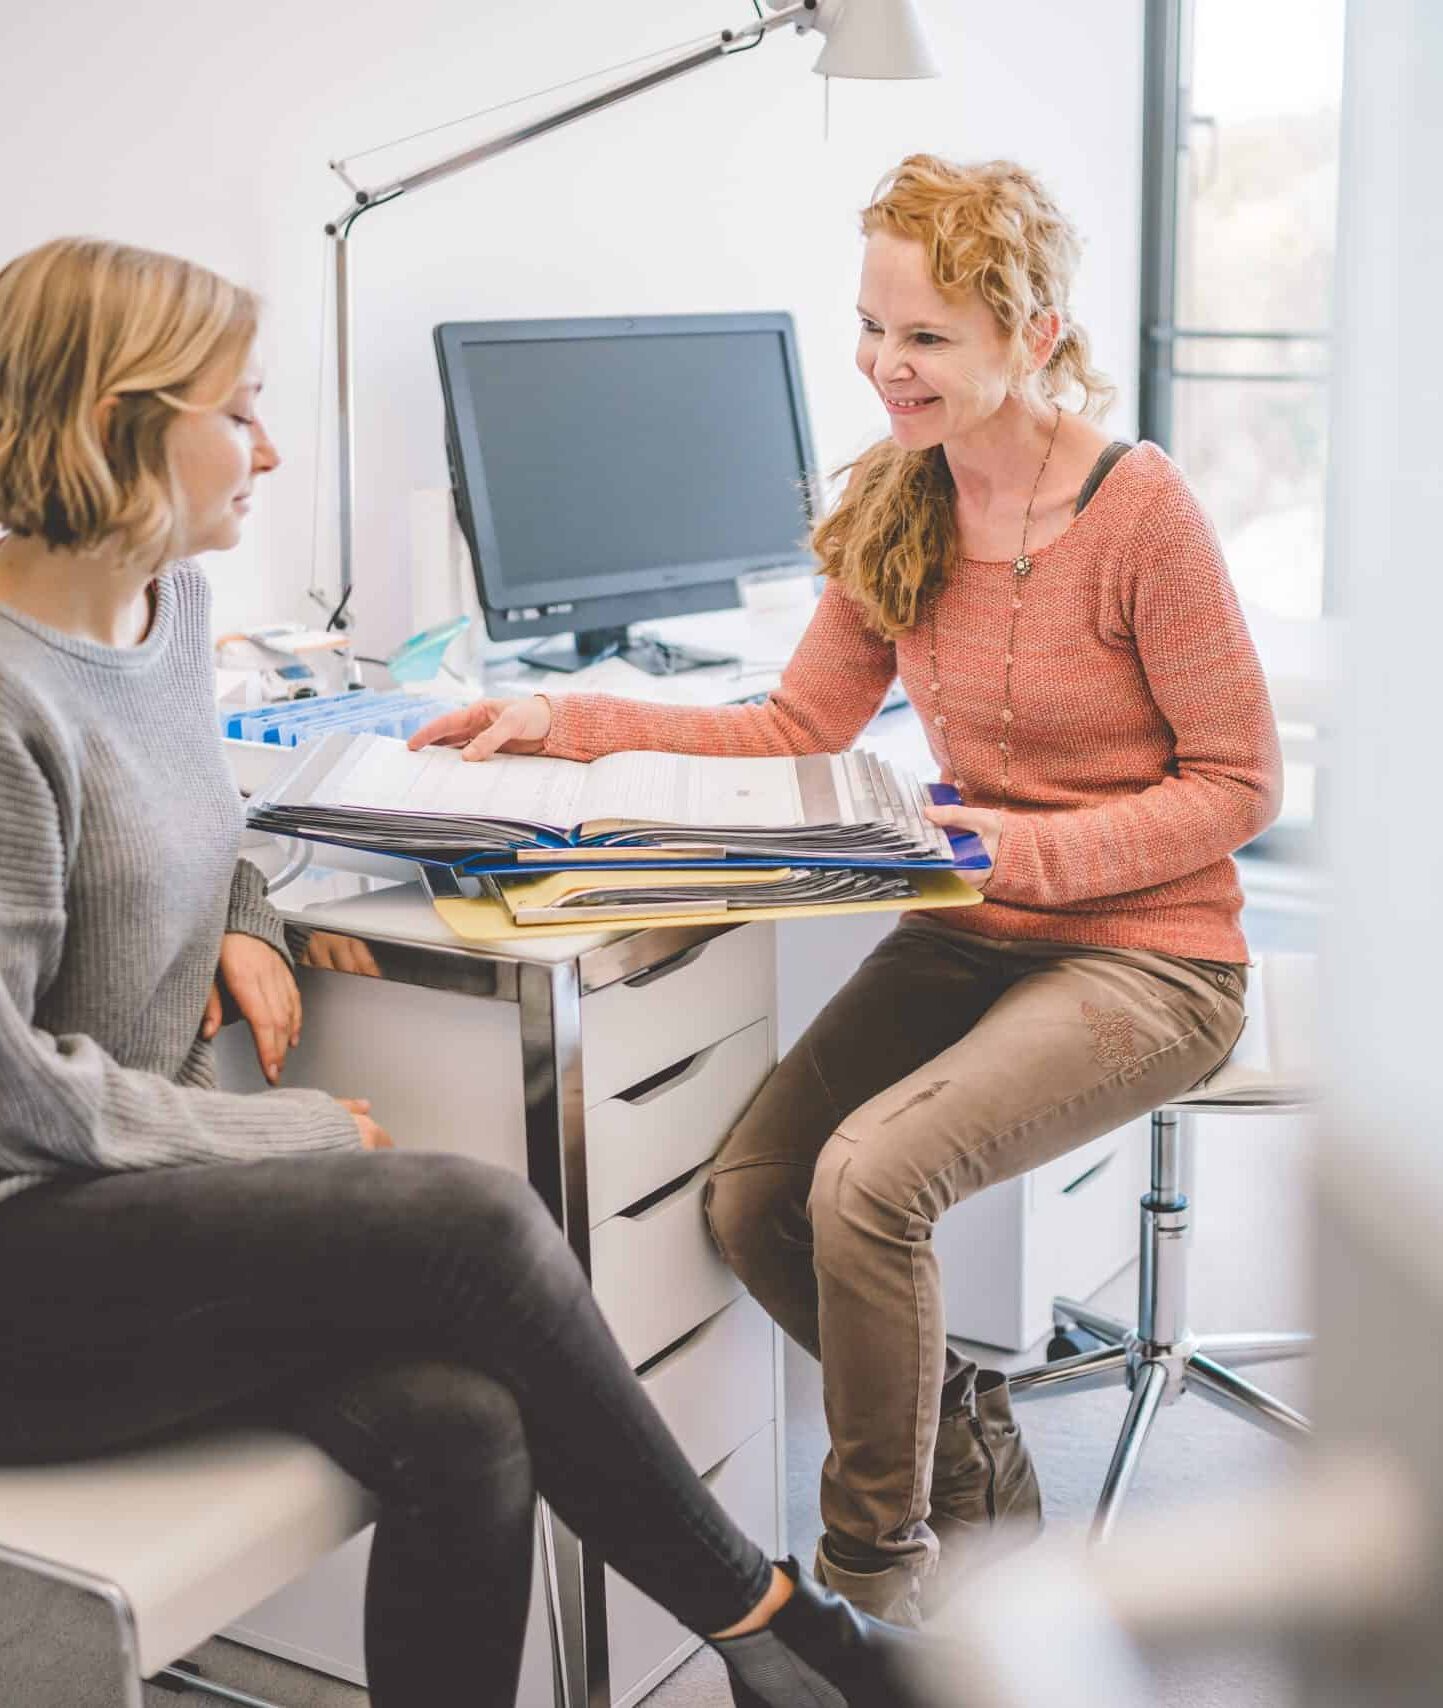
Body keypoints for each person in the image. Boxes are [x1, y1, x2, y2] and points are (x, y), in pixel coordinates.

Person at [0, 235, 926, 1708]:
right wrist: (274, 1136)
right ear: (118, 420)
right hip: (28, 1264)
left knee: (468, 1416)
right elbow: (11, 1100)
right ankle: (791, 1640)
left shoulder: (162, 604)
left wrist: (237, 904)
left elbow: (195, 810)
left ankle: (788, 1654)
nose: (275, 447)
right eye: (237, 412)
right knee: (472, 1219)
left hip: (135, 1215)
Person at [413, 154, 1283, 1622]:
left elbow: (1241, 787)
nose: (884, 366)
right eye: (871, 328)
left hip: (1155, 962)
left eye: (928, 337)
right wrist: (564, 722)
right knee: (757, 1197)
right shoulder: (899, 496)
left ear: (1036, 334)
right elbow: (793, 726)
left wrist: (1024, 854)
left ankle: (872, 1586)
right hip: (975, 938)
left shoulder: (1143, 514)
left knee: (871, 1181)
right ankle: (968, 1423)